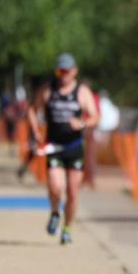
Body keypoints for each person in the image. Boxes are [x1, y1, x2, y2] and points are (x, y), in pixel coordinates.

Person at [28, 53, 99, 245]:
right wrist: (35, 131)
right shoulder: (47, 90)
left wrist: (82, 123)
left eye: (66, 71)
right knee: (55, 186)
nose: (62, 75)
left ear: (74, 71)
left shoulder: (82, 92)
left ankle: (67, 228)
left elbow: (94, 116)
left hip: (74, 147)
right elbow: (32, 110)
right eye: (59, 71)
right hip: (54, 146)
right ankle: (54, 213)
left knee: (73, 192)